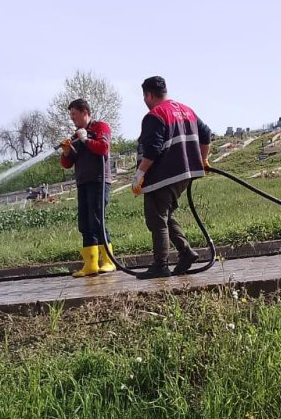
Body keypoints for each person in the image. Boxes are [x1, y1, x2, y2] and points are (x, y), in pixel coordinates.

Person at [130, 75, 212, 278]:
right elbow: (206, 134)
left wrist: (139, 174)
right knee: (164, 215)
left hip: (163, 176)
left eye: (144, 97)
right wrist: (202, 159)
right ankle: (185, 252)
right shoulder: (187, 110)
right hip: (185, 173)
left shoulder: (155, 115)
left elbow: (153, 149)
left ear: (149, 95)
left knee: (156, 219)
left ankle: (161, 265)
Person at [59, 98, 116, 276]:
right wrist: (66, 152)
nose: (72, 118)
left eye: (74, 114)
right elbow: (67, 164)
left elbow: (103, 148)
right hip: (83, 182)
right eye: (71, 115)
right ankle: (90, 265)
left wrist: (85, 139)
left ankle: (108, 261)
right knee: (85, 223)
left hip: (99, 181)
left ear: (85, 112)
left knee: (97, 220)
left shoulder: (100, 127)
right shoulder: (76, 135)